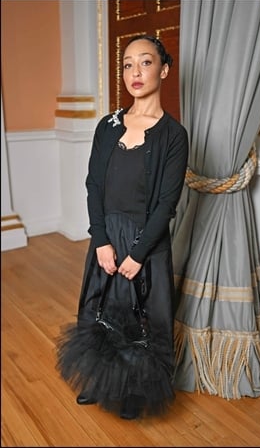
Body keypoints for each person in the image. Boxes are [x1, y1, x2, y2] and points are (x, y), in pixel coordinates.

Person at [56, 35, 189, 420]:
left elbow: (167, 203)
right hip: (106, 239)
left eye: (145, 63)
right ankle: (99, 382)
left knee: (141, 319)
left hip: (145, 243)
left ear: (163, 70)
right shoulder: (108, 125)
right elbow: (93, 184)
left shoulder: (173, 136)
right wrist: (100, 240)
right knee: (100, 311)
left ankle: (134, 393)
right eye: (128, 64)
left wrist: (137, 254)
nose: (135, 72)